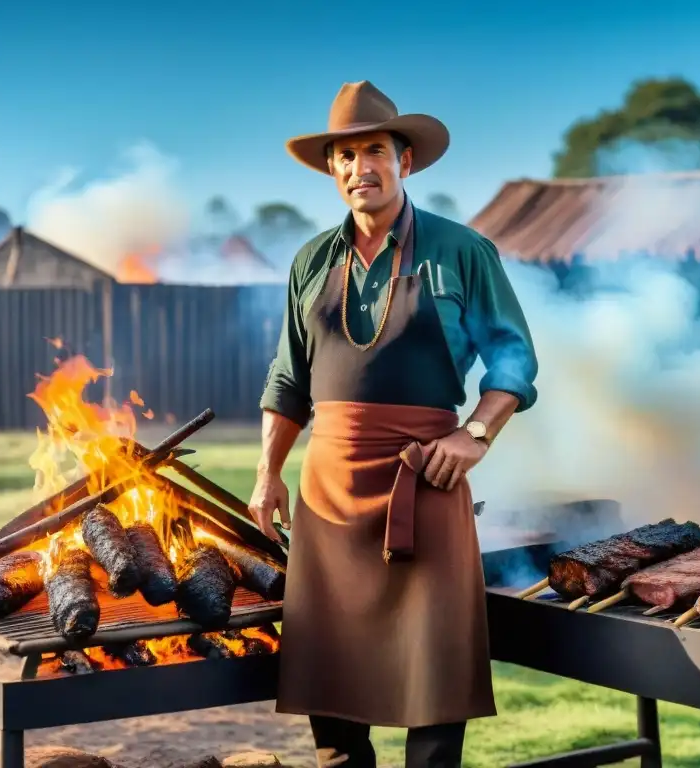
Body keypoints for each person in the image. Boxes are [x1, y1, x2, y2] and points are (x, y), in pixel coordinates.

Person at [249, 80, 538, 768]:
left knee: (433, 675)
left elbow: (514, 358)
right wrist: (267, 473)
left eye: (373, 149)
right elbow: (288, 380)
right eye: (344, 157)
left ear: (404, 159)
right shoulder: (310, 261)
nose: (359, 168)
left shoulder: (461, 251)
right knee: (331, 679)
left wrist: (476, 433)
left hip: (427, 483)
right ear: (332, 169)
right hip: (329, 494)